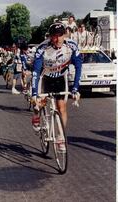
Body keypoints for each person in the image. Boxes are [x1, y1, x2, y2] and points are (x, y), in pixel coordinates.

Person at [31, 22, 82, 151]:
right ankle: (36, 115)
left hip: (61, 78)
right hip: (46, 77)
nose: (57, 39)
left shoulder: (71, 46)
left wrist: (76, 88)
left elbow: (78, 67)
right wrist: (34, 93)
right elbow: (36, 71)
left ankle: (60, 137)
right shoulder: (42, 48)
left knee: (62, 107)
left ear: (64, 35)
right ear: (50, 37)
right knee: (39, 102)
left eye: (60, 35)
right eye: (54, 36)